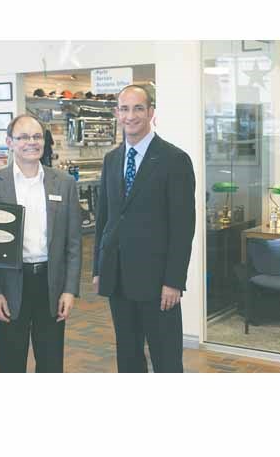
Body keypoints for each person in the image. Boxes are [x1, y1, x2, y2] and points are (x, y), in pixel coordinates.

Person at [93, 85, 195, 373]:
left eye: (138, 108)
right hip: (119, 278)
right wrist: (99, 269)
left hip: (157, 282)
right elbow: (105, 218)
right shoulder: (112, 159)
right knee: (128, 356)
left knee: (166, 360)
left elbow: (183, 227)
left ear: (151, 112)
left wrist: (174, 280)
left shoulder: (174, 160)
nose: (131, 115)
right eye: (124, 109)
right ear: (116, 113)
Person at [0, 114, 82, 373]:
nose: (31, 143)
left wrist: (69, 290)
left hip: (50, 285)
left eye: (36, 137)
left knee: (51, 364)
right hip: (10, 285)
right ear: (10, 142)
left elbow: (74, 243)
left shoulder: (64, 183)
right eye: (23, 137)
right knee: (11, 364)